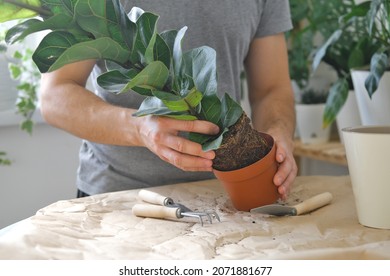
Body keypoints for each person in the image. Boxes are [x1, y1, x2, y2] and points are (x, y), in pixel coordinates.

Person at [40, 0, 298, 200]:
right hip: (121, 198)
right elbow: (55, 96)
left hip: (229, 197)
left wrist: (280, 133)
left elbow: (271, 89)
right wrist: (139, 130)